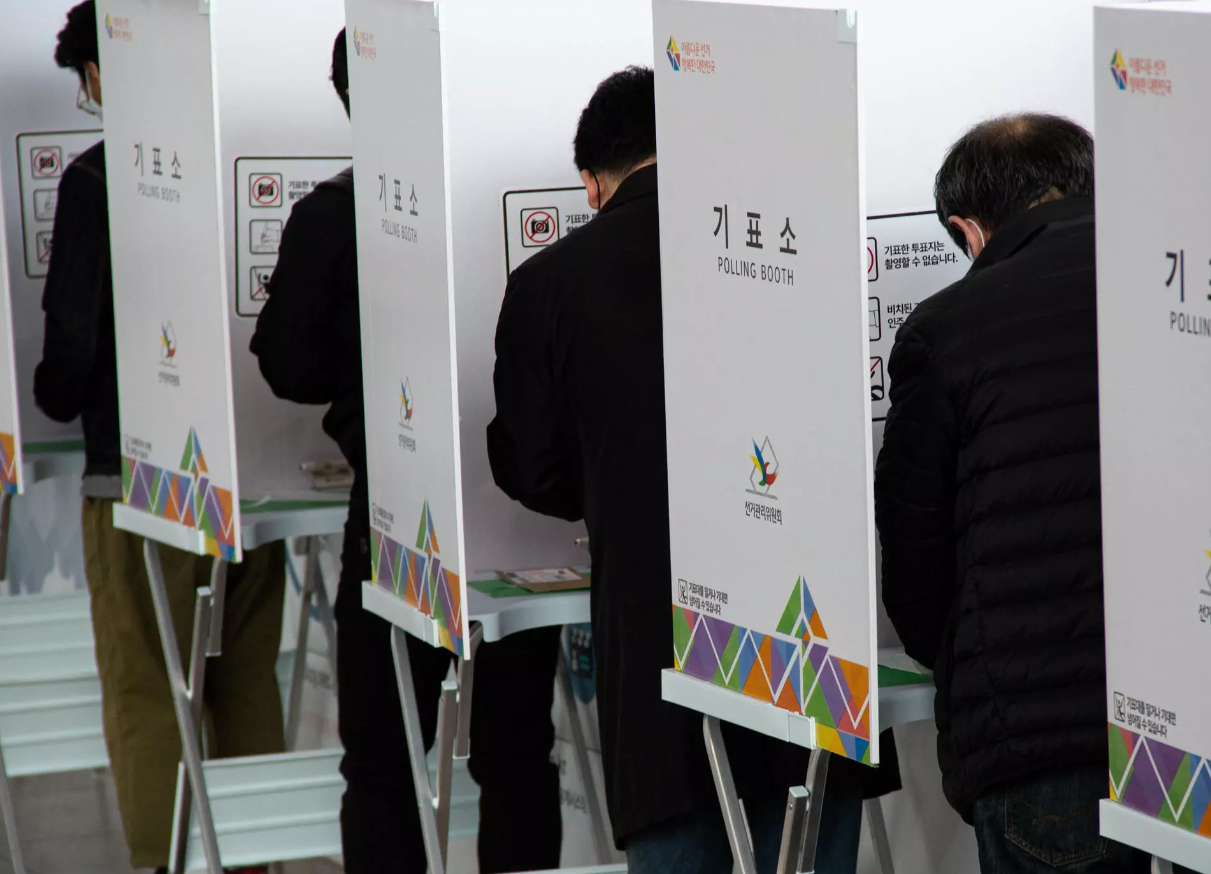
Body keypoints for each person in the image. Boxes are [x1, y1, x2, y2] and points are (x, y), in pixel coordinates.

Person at [488, 66, 896, 874]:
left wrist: (612, 483)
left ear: (592, 181)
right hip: (810, 641)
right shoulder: (794, 241)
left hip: (658, 639)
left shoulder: (550, 283)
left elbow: (532, 469)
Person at [249, 30, 562, 873]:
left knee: (385, 762)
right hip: (520, 522)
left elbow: (286, 364)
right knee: (517, 757)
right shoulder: (517, 190)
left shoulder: (333, 213)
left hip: (396, 516)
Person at [35, 4, 285, 872]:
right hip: (252, 480)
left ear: (102, 72)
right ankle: (255, 860)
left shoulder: (96, 181)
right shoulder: (236, 158)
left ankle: (167, 862)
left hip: (139, 484)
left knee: (146, 684)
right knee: (247, 681)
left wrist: (49, 394)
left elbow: (71, 343)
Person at [875, 114, 1146, 873]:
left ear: (968, 230)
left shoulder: (946, 329)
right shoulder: (1180, 287)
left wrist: (964, 661)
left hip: (1041, 738)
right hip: (1207, 744)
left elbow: (917, 556)